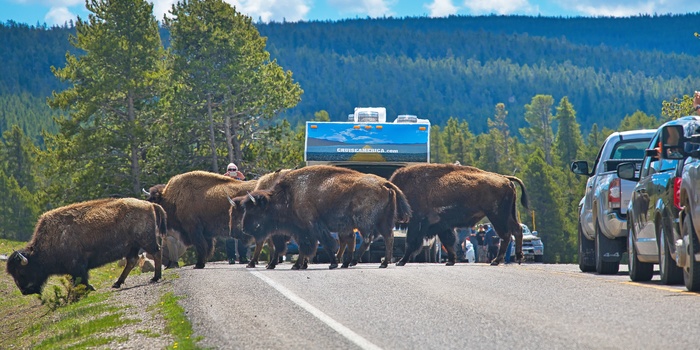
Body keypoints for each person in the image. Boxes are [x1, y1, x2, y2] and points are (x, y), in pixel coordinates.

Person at [223, 162, 249, 264]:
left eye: (234, 170)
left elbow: (248, 190)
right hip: (228, 210)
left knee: (242, 233)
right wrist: (223, 178)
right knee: (229, 235)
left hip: (240, 210)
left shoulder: (241, 182)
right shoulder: (224, 181)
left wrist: (243, 179)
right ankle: (231, 257)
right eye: (230, 170)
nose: (232, 172)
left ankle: (243, 257)